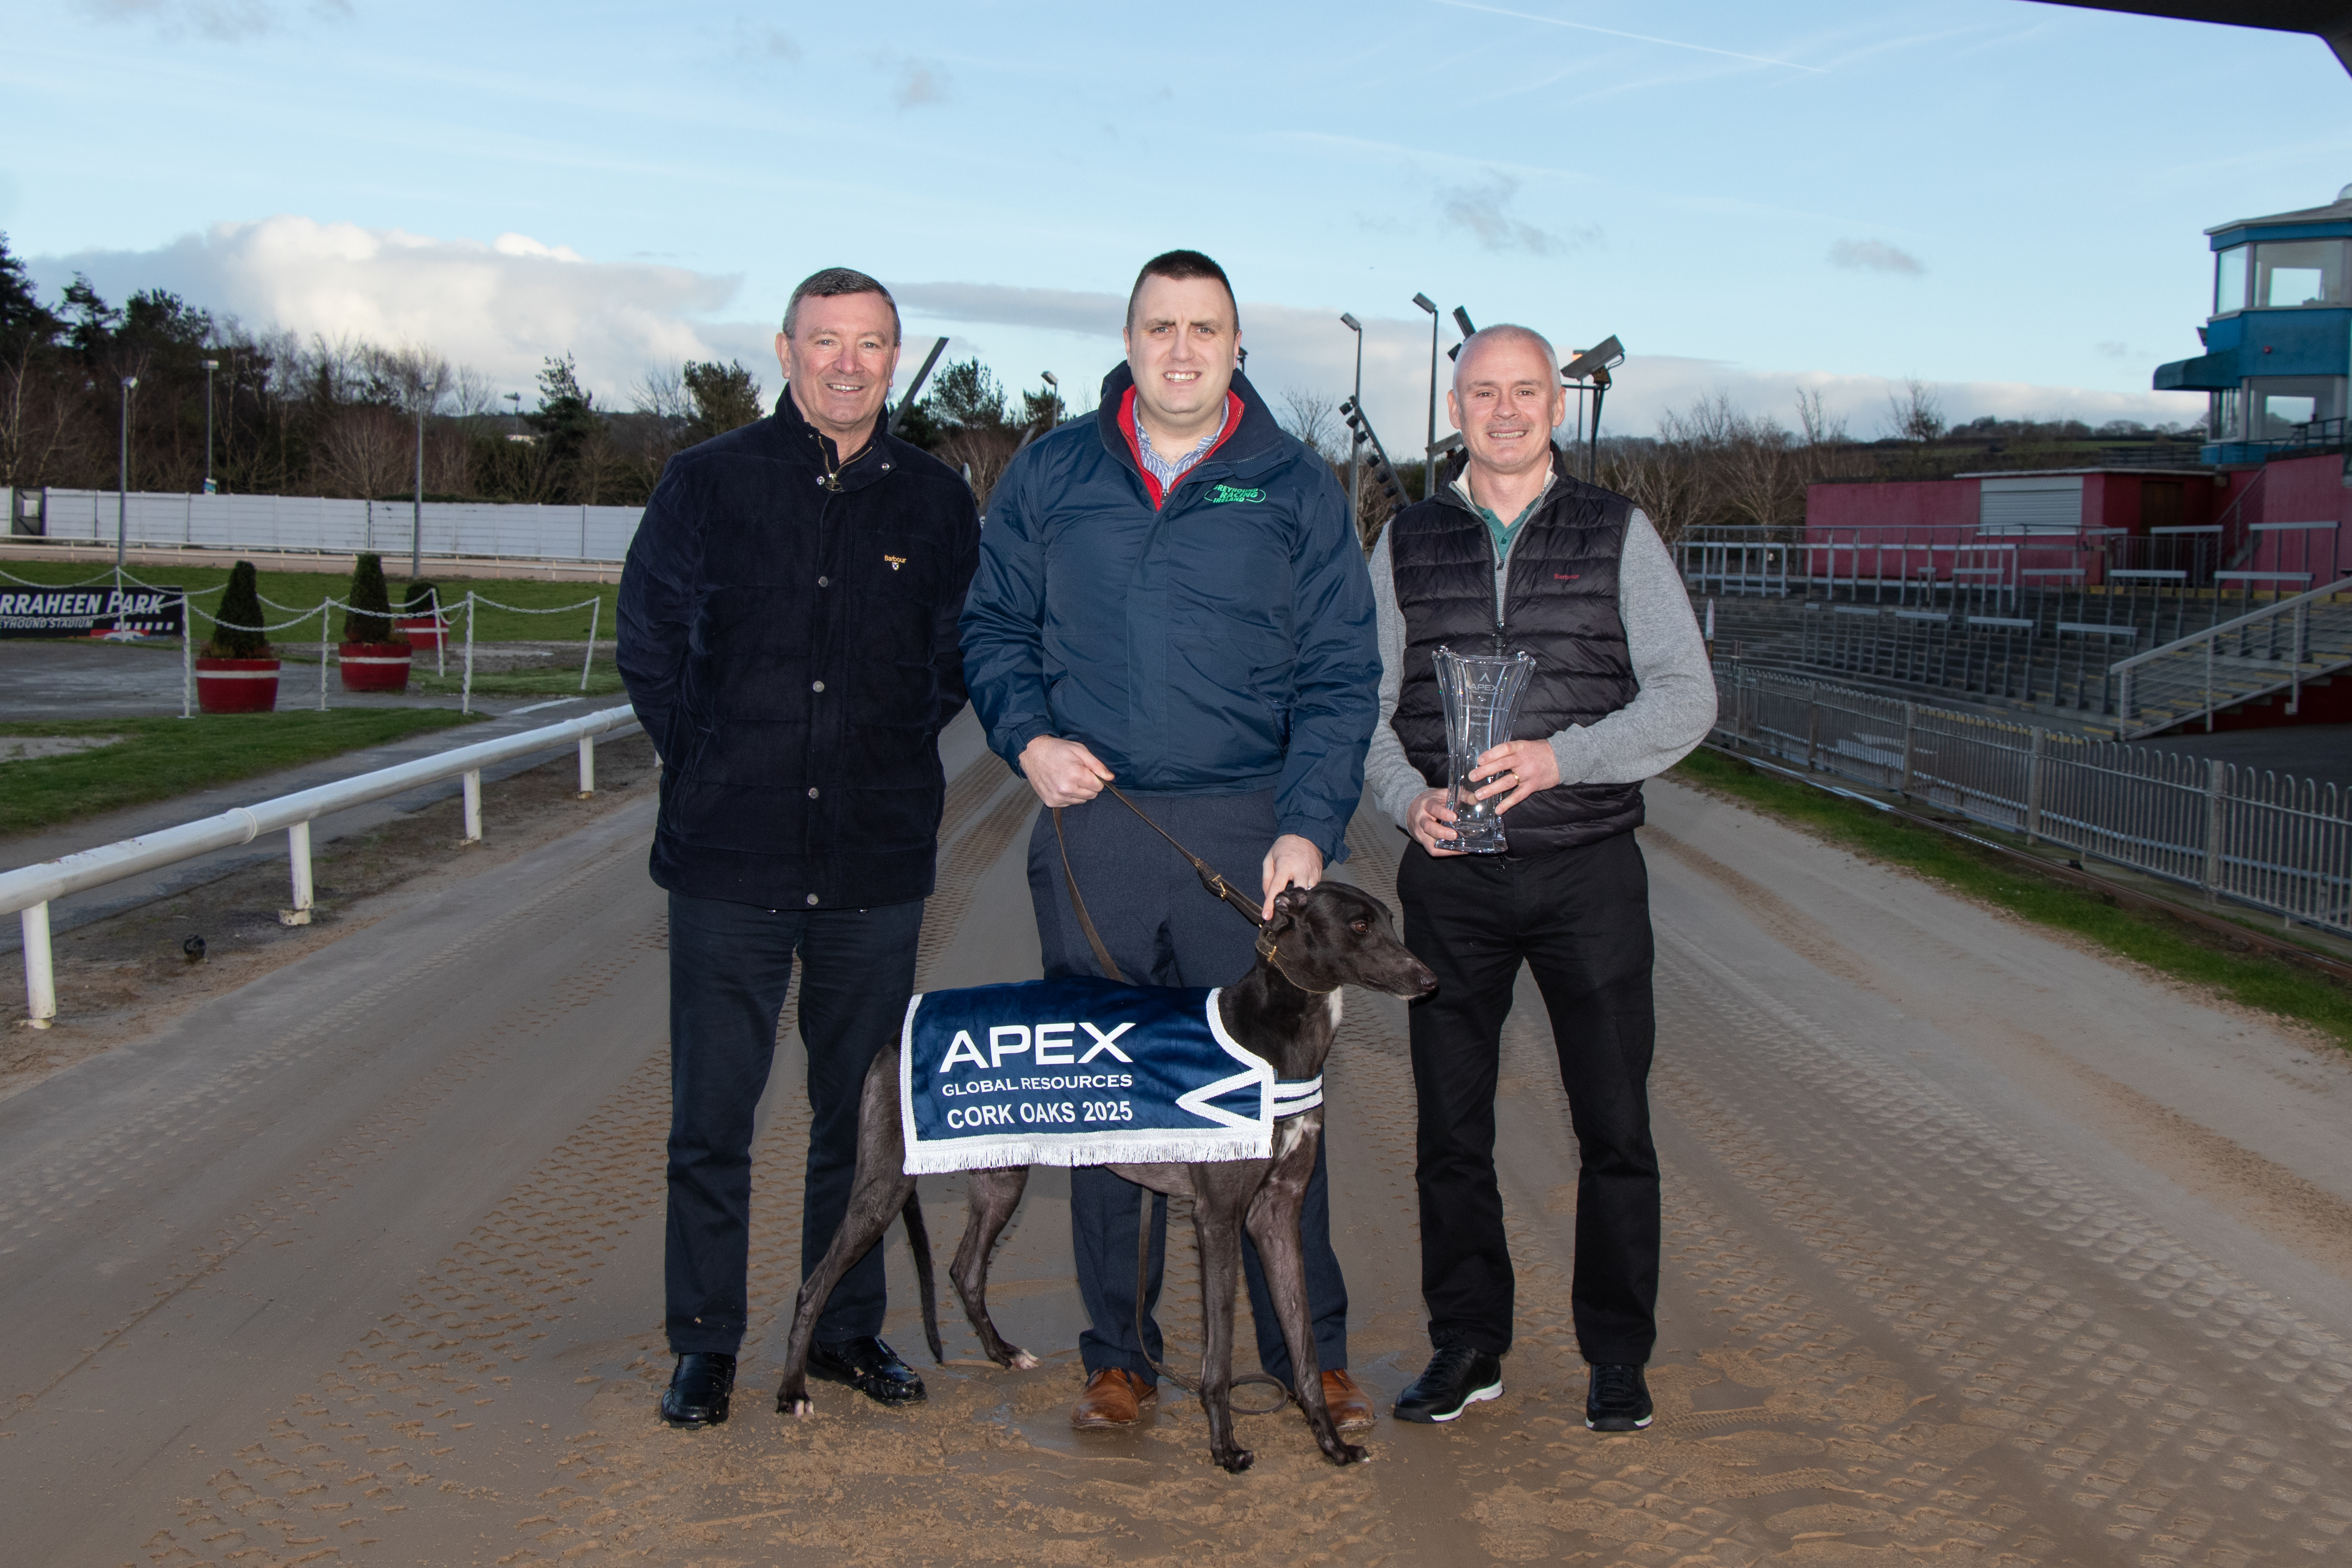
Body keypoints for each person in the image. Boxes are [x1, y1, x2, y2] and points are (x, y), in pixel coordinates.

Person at [960, 249, 1382, 1433]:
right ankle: (1120, 1353)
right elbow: (991, 625)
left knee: (1263, 1098)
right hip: (1096, 822)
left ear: (1236, 346)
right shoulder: (1053, 470)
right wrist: (1027, 734)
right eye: (1159, 327)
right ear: (1130, 337)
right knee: (1109, 1098)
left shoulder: (1291, 483)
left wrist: (1307, 820)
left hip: (1247, 836)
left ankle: (1315, 1351)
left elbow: (1343, 671)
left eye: (1204, 328)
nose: (1181, 349)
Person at [618, 267, 981, 1427]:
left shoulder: (934, 499)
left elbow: (950, 662)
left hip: (871, 865)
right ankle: (705, 1342)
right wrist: (721, 757)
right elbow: (650, 646)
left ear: (891, 353)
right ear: (784, 351)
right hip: (729, 861)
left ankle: (841, 1327)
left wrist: (872, 750)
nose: (846, 362)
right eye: (825, 341)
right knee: (711, 1120)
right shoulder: (706, 484)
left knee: (862, 1119)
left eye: (868, 343)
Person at [1364, 324, 1715, 1432]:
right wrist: (1400, 797)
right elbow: (1360, 707)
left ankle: (1617, 1355)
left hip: (1585, 874)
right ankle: (1467, 1344)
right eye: (1481, 392)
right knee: (1448, 1130)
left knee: (1613, 1124)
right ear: (1455, 406)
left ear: (1555, 406)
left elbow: (1683, 695)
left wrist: (1565, 757)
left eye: (1524, 391)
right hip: (1451, 880)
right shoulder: (1406, 538)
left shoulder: (1615, 531)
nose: (1504, 411)